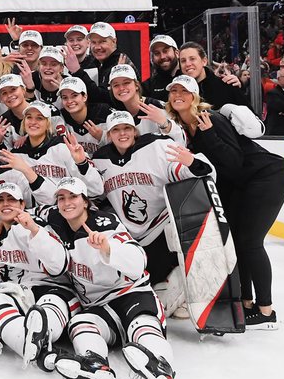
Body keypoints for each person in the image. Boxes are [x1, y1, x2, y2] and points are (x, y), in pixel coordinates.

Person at [166, 74, 284, 329]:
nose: (177, 95)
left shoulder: (211, 119)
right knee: (238, 242)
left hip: (266, 177)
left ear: (194, 97)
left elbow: (233, 163)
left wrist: (210, 135)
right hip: (243, 185)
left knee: (250, 243)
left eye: (184, 91)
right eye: (173, 91)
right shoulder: (186, 131)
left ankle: (266, 312)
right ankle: (247, 303)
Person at [40, 176, 178, 379]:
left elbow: (138, 261)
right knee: (80, 323)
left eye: (73, 197)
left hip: (131, 294)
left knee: (143, 325)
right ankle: (95, 362)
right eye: (61, 198)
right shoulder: (55, 220)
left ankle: (161, 366)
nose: (67, 203)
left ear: (85, 201)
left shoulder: (105, 223)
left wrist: (108, 248)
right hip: (98, 306)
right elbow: (28, 211)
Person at [90, 107, 213, 296]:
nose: (122, 134)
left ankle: (192, 279)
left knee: (174, 234)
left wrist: (191, 163)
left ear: (135, 131)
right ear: (109, 134)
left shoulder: (156, 146)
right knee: (145, 281)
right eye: (116, 130)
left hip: (160, 228)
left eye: (127, 128)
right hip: (130, 235)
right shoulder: (100, 159)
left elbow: (198, 172)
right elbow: (94, 195)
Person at [0, 180, 80, 372]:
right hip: (18, 290)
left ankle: (36, 339)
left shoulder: (35, 224)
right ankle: (31, 346)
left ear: (23, 205)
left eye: (12, 199)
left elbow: (59, 265)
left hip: (52, 286)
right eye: (1, 200)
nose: (6, 204)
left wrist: (34, 230)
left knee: (50, 305)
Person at [107, 63, 184, 141]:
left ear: (136, 85)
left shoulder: (157, 106)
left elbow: (181, 140)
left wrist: (164, 123)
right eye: (116, 85)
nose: (121, 88)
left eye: (126, 83)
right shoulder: (115, 113)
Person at [178, 42, 247, 107]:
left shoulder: (227, 85)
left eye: (192, 59)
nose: (188, 64)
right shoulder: (177, 92)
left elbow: (250, 117)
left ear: (204, 61)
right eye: (183, 61)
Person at [142, 34, 180, 103]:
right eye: (157, 53)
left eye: (165, 51)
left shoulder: (189, 76)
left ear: (177, 53)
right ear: (152, 59)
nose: (162, 56)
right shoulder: (148, 86)